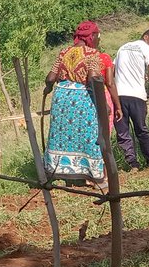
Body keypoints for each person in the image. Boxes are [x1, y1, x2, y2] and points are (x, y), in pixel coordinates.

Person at [42, 22, 121, 190]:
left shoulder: (64, 52)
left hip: (61, 99)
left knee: (61, 135)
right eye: (97, 36)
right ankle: (97, 178)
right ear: (92, 36)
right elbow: (93, 79)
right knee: (89, 136)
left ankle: (61, 173)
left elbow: (50, 78)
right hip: (83, 99)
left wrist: (48, 88)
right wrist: (103, 103)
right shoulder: (92, 54)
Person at [113, 29, 149, 170]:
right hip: (137, 95)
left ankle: (132, 163)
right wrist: (148, 76)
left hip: (119, 95)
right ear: (146, 37)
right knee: (141, 129)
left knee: (123, 131)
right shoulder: (147, 48)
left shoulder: (122, 47)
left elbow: (112, 70)